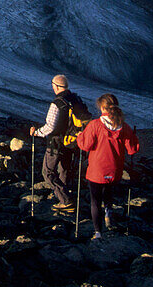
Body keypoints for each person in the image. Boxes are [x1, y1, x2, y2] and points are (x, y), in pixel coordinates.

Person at [77, 93, 139, 239]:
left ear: (102, 107)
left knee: (95, 201)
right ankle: (109, 214)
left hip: (96, 170)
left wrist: (80, 137)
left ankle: (98, 232)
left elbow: (85, 146)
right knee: (108, 192)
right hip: (115, 170)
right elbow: (132, 150)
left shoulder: (95, 125)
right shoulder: (124, 127)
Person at [29, 74, 88, 213]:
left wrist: (36, 133)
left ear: (55, 86)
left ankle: (66, 200)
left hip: (56, 142)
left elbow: (50, 126)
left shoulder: (58, 103)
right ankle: (66, 197)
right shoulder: (75, 99)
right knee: (64, 170)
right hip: (71, 142)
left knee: (47, 171)